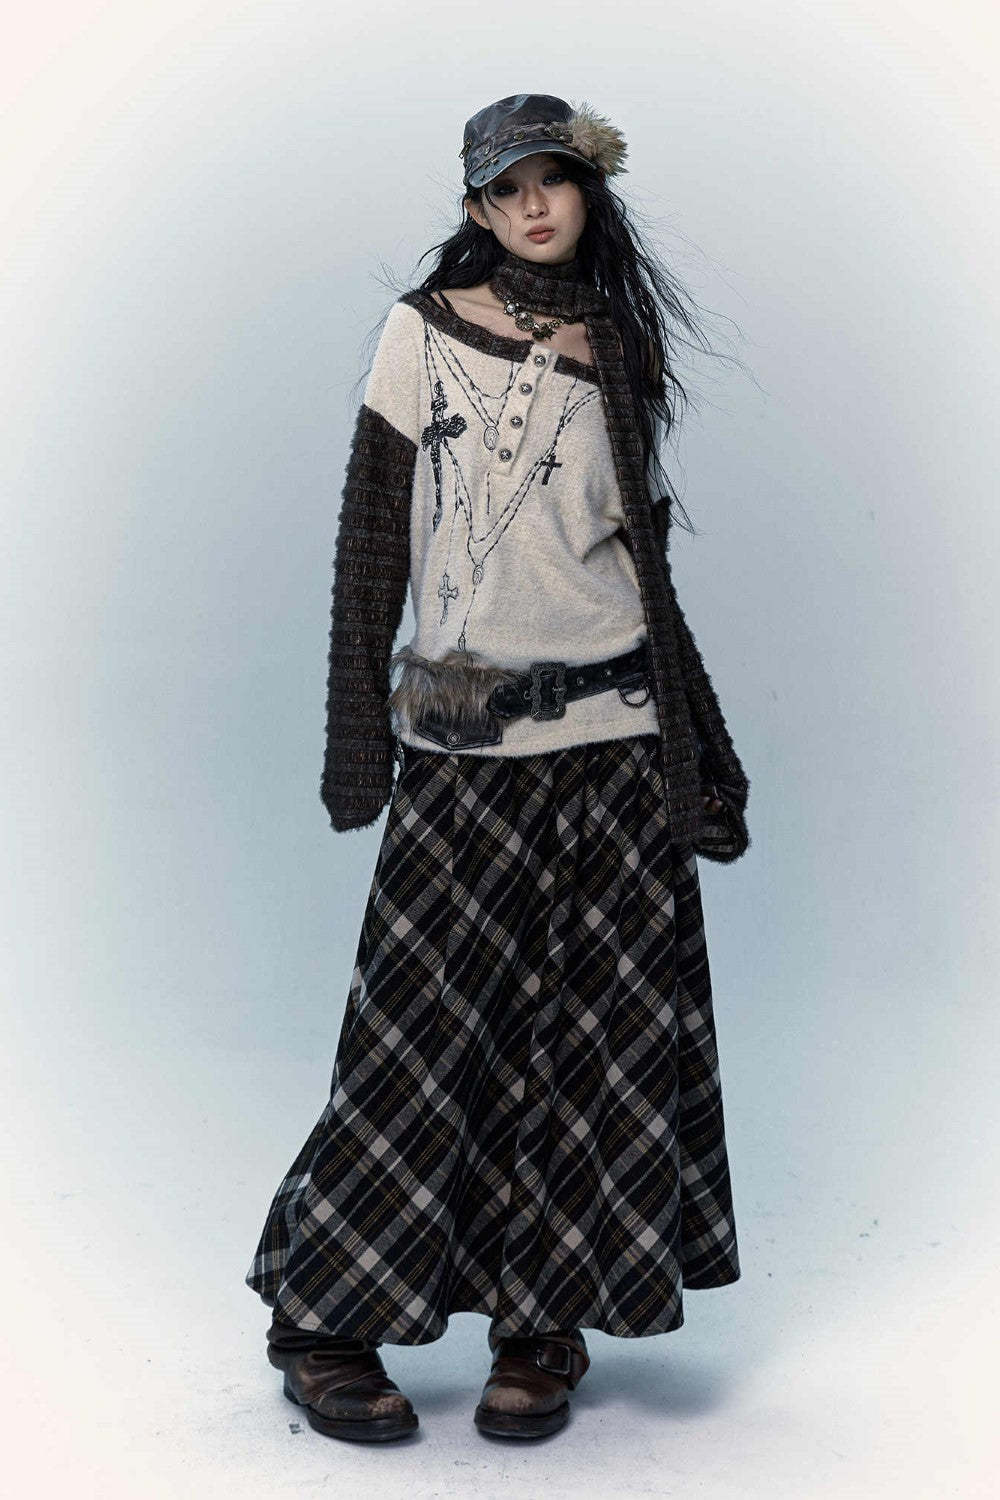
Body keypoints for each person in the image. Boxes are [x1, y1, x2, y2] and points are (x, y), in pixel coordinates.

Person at [245, 92, 752, 1445]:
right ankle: (321, 1322)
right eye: (507, 187)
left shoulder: (619, 343)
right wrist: (359, 737)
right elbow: (372, 540)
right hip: (464, 743)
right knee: (415, 1046)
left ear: (588, 193)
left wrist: (702, 744)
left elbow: (638, 557)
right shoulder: (418, 333)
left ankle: (543, 1322)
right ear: (475, 207)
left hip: (613, 742)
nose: (534, 206)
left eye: (555, 181)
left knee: (589, 1049)